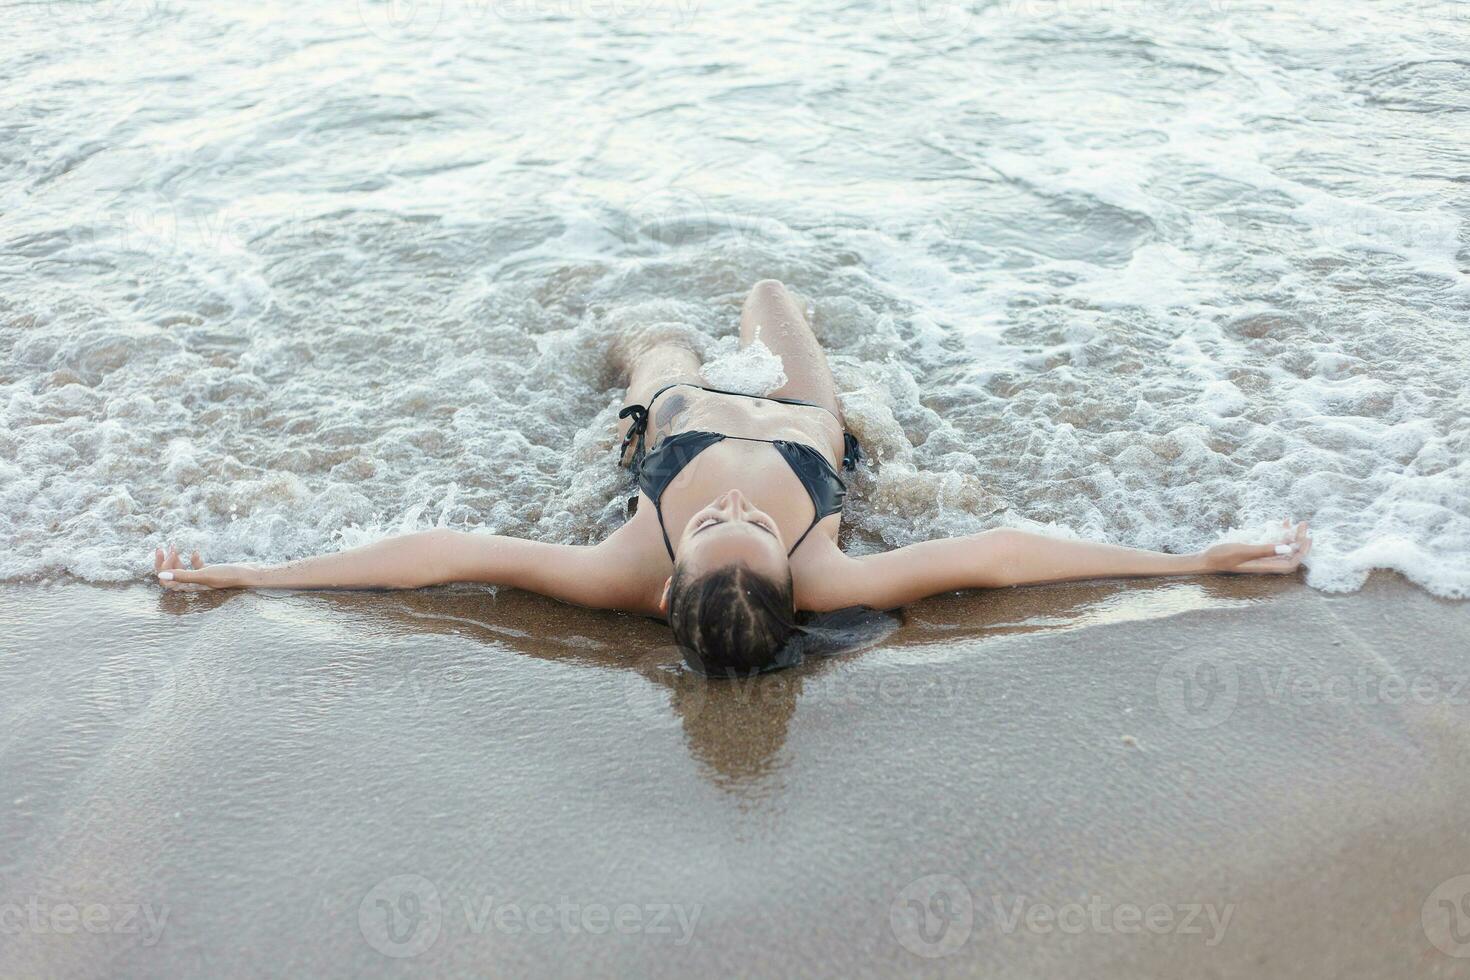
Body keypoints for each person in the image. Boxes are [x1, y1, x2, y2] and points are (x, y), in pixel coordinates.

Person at [153, 280, 1312, 676]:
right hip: (810, 419)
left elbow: (440, 557)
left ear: (669, 585)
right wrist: (1188, 560)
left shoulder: (625, 566)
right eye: (744, 526)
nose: (736, 510)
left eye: (722, 527)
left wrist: (253, 573)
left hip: (680, 414)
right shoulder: (827, 574)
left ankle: (632, 337)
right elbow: (1005, 557)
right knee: (772, 298)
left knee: (652, 345)